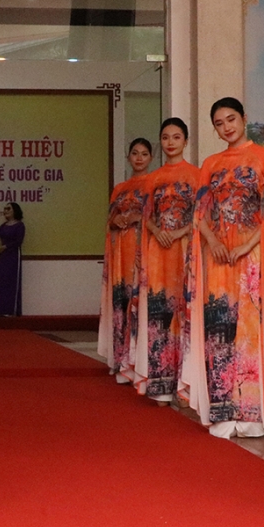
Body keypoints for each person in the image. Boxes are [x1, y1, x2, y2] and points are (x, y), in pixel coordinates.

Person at [179, 98, 264, 439]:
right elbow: (200, 213)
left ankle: (253, 411)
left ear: (244, 118)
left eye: (231, 119)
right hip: (219, 258)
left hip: (254, 256)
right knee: (219, 326)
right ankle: (223, 411)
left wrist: (246, 244)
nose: (226, 127)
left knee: (252, 330)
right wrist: (214, 242)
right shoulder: (211, 164)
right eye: (219, 123)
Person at [132, 118, 198, 403]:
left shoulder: (197, 175)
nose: (171, 142)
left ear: (186, 141)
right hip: (159, 251)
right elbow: (146, 216)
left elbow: (202, 215)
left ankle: (187, 385)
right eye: (166, 137)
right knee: (159, 313)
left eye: (176, 137)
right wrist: (158, 231)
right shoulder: (153, 178)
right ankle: (160, 384)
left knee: (185, 311)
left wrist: (179, 232)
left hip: (185, 249)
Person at [98, 138, 153, 383]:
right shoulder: (119, 188)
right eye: (135, 153)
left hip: (141, 250)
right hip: (120, 252)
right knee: (120, 303)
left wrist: (136, 218)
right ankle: (119, 359)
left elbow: (157, 217)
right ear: (128, 156)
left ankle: (137, 362)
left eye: (144, 154)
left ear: (151, 158)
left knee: (138, 303)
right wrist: (116, 221)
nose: (139, 158)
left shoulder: (153, 183)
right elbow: (109, 220)